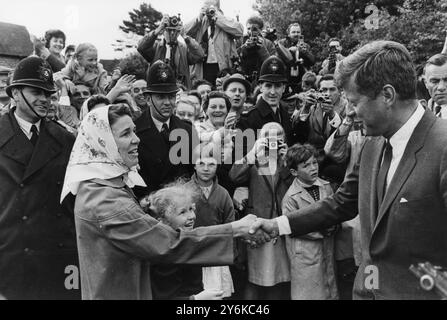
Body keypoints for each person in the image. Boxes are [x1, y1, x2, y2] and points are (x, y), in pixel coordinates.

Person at [250, 40, 447, 300]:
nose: (350, 113)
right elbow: (342, 202)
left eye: (354, 102)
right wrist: (278, 225)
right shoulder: (373, 142)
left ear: (387, 96)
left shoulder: (443, 148)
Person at [61, 103, 265, 299]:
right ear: (101, 144)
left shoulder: (103, 188)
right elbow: (168, 244)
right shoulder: (105, 200)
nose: (136, 139)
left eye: (133, 130)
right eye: (125, 134)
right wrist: (235, 229)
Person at [0, 56, 79, 299]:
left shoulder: (65, 139)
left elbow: (74, 203)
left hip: (60, 259)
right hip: (12, 259)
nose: (45, 100)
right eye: (36, 92)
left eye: (49, 93)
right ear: (15, 93)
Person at [230, 122, 291, 300]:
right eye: (267, 136)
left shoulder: (287, 159)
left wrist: (286, 160)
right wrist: (253, 153)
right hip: (258, 224)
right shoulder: (254, 160)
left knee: (279, 277)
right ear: (260, 138)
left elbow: (295, 181)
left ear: (284, 138)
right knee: (255, 277)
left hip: (281, 223)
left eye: (277, 136)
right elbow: (234, 176)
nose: (273, 140)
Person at [143, 182, 225, 300]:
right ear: (162, 221)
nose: (191, 216)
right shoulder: (164, 253)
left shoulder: (184, 240)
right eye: (182, 212)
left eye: (191, 209)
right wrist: (196, 299)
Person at [282, 143, 338, 300]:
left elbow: (334, 211)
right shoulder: (290, 198)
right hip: (305, 254)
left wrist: (334, 225)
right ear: (294, 172)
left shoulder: (326, 187)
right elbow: (294, 227)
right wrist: (323, 230)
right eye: (306, 166)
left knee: (329, 289)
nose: (313, 168)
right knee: (308, 292)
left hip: (326, 248)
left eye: (314, 163)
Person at [134, 60, 197, 196]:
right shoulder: (134, 131)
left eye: (171, 96)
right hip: (147, 206)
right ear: (148, 99)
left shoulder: (187, 130)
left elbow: (192, 173)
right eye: (161, 97)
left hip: (179, 206)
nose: (167, 102)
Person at [186, 146, 236, 298]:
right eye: (201, 164)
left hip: (216, 254)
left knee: (217, 294)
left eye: (211, 164)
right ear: (194, 165)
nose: (206, 169)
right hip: (191, 253)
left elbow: (230, 225)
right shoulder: (185, 191)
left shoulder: (223, 193)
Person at [236, 56, 298, 154]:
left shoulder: (284, 114)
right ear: (260, 87)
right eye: (268, 86)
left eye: (277, 86)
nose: (273, 92)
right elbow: (239, 159)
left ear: (284, 88)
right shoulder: (247, 119)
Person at [137, 14, 204, 89]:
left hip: (180, 90)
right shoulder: (155, 47)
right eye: (169, 30)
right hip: (158, 89)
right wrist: (157, 30)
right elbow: (141, 47)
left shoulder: (184, 49)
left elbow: (200, 55)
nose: (172, 33)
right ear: (163, 31)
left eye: (175, 31)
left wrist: (185, 37)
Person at [184, 0, 243, 85]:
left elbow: (239, 31)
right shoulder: (200, 23)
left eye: (211, 8)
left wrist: (218, 17)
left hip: (223, 67)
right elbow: (184, 32)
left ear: (218, 9)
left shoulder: (224, 21)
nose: (208, 11)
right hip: (202, 67)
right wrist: (199, 17)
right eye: (205, 7)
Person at [277, 23, 315, 94]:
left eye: (298, 32)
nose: (296, 34)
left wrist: (305, 52)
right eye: (293, 32)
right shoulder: (281, 43)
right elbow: (277, 59)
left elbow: (312, 61)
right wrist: (289, 51)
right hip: (285, 76)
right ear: (288, 34)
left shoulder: (305, 45)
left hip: (301, 78)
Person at [238, 16, 276, 83]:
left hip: (262, 78)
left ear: (260, 30)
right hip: (244, 78)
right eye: (249, 28)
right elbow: (235, 59)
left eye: (254, 29)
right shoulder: (241, 41)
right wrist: (244, 48)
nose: (251, 31)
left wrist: (263, 49)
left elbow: (273, 65)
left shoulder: (268, 43)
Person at [423, 53, 447, 118]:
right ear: (426, 83)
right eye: (434, 81)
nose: (441, 87)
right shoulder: (420, 113)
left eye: (446, 80)